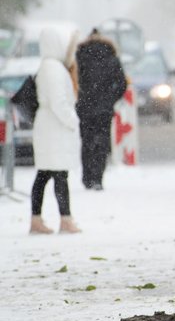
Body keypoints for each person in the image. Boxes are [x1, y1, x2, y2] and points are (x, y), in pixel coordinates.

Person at [29, 28, 82, 234]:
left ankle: (39, 218)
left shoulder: (50, 67)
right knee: (58, 174)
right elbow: (58, 102)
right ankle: (65, 219)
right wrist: (72, 120)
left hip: (51, 128)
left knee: (47, 174)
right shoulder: (52, 68)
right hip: (54, 128)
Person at [75, 29, 128, 190]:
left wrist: (79, 98)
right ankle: (98, 177)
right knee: (102, 142)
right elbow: (122, 84)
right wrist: (110, 99)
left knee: (86, 141)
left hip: (84, 106)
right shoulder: (111, 58)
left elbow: (73, 81)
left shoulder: (80, 56)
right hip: (104, 108)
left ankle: (87, 176)